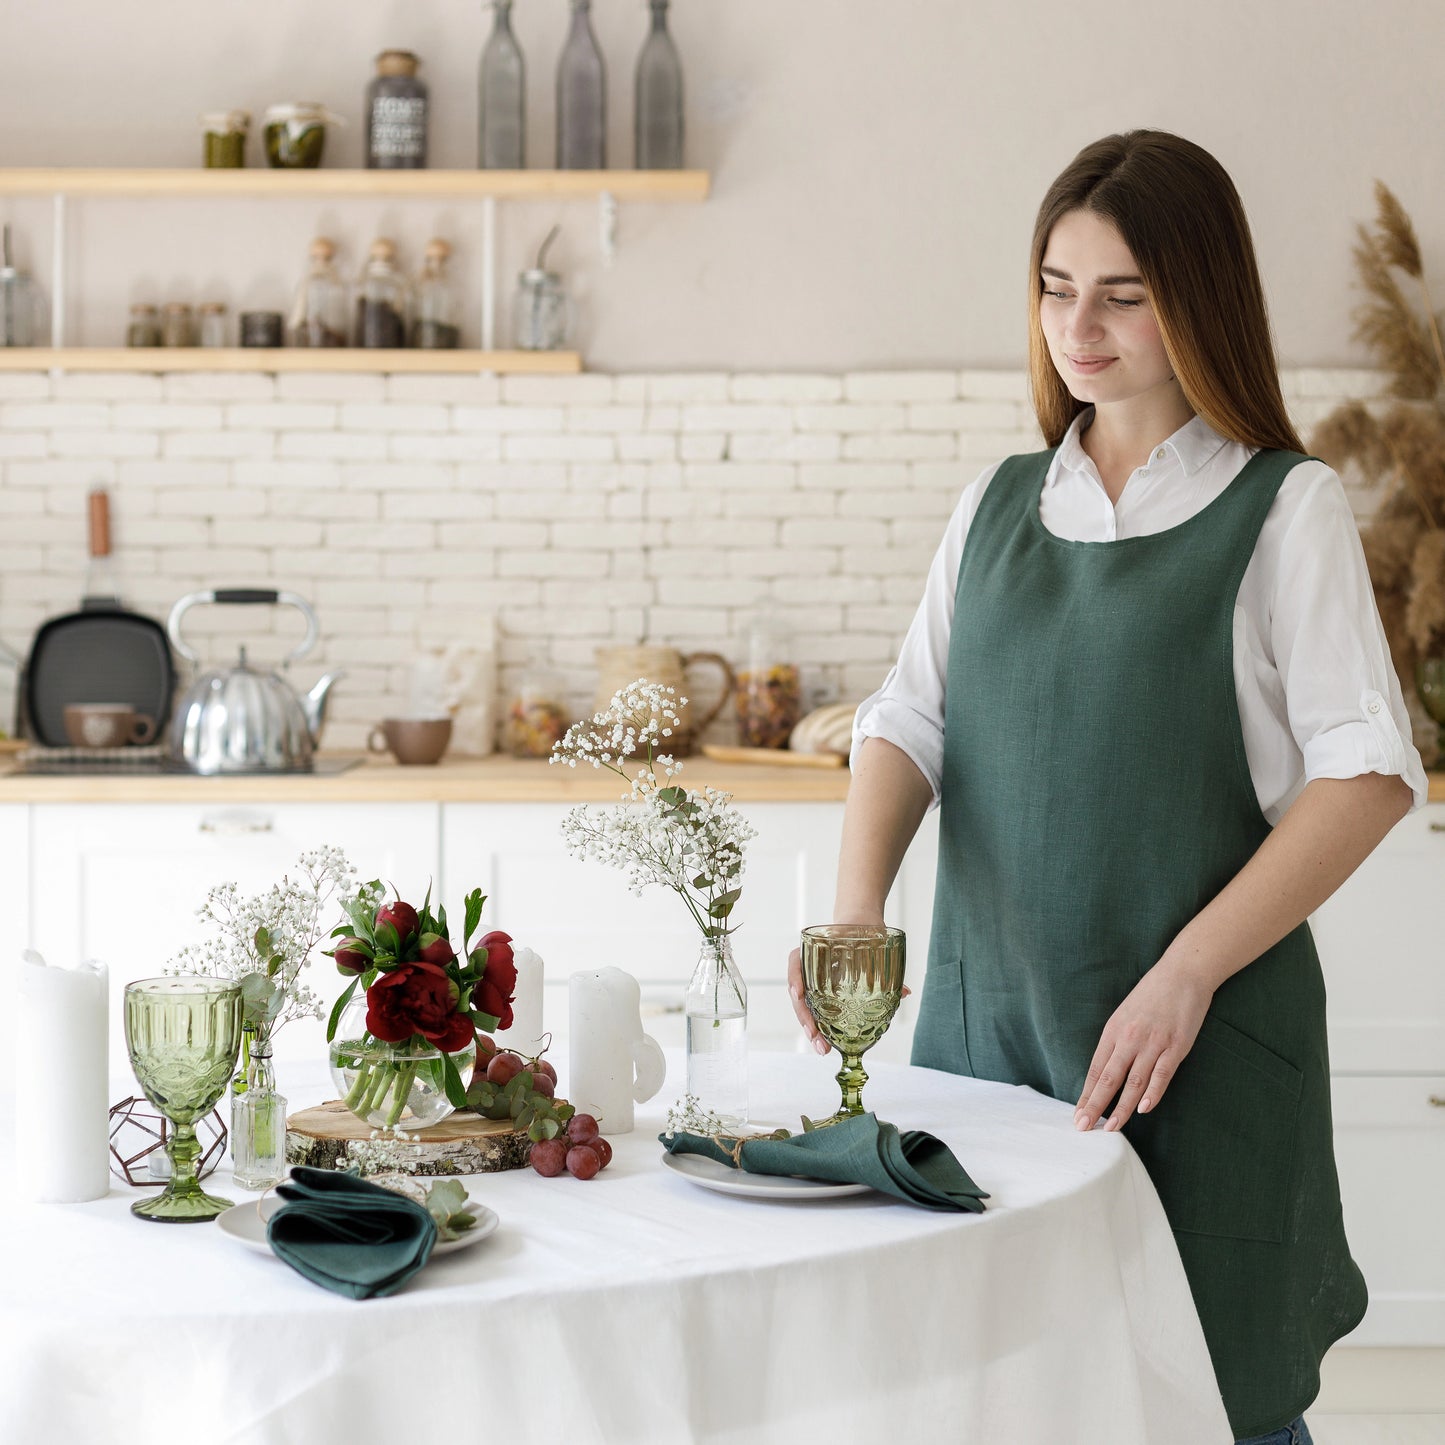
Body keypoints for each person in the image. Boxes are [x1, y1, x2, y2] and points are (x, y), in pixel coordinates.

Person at [787, 129, 1427, 1445]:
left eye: (1123, 292)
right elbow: (908, 714)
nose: (1079, 323)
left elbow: (1365, 775)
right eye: (1054, 284)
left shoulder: (1280, 507)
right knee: (1007, 1392)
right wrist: (857, 905)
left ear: (1196, 296)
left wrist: (1188, 970)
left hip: (1184, 1051)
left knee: (1214, 1395)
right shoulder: (998, 505)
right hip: (994, 1040)